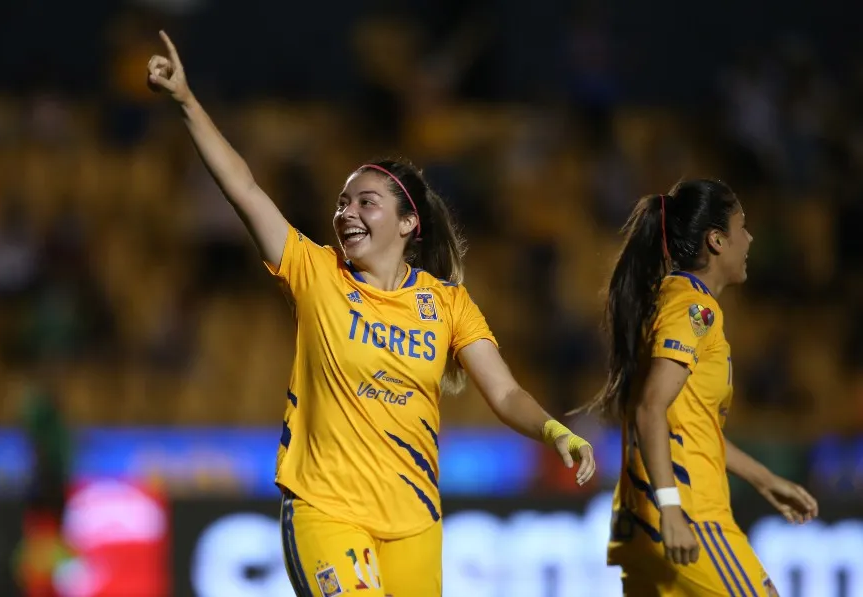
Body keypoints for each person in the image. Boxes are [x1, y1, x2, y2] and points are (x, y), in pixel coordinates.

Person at [146, 31, 596, 597]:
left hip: (413, 522)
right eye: (342, 201)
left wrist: (554, 430)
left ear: (409, 224)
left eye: (365, 202)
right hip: (326, 511)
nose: (346, 211)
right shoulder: (315, 273)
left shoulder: (447, 303)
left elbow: (504, 395)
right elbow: (243, 186)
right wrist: (187, 102)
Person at [581, 179, 818, 596]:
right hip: (688, 517)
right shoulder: (695, 308)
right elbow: (650, 408)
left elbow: (689, 424)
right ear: (716, 240)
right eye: (741, 227)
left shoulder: (665, 300)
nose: (750, 238)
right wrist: (672, 509)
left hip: (640, 524)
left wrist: (764, 479)